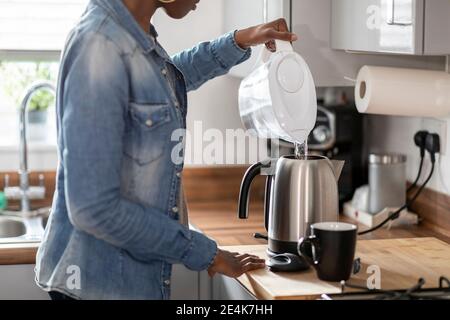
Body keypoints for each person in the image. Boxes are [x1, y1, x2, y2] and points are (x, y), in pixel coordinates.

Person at [35, 0, 298, 300]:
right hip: (100, 288)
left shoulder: (131, 35)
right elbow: (93, 209)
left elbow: (170, 77)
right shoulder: (100, 46)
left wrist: (238, 41)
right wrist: (206, 253)